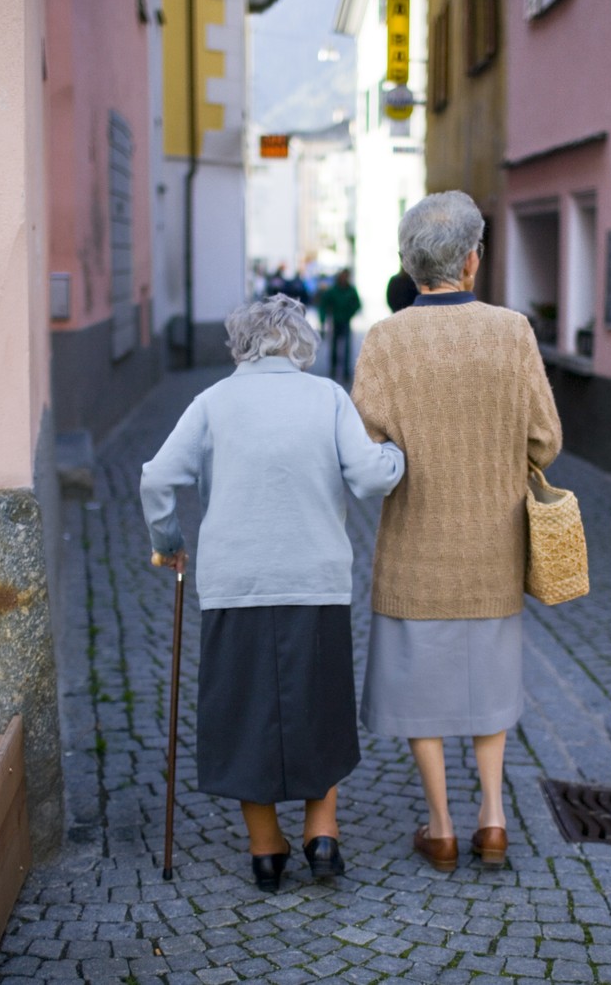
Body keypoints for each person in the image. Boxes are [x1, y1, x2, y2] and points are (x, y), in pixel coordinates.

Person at [140, 295, 405, 893]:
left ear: (241, 344)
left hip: (237, 582)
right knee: (322, 705)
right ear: (301, 343)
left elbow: (157, 476)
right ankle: (323, 832)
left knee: (241, 712)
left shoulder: (213, 402)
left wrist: (170, 538)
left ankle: (265, 850)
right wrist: (394, 457)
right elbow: (368, 477)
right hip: (314, 580)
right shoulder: (328, 397)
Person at [351, 190, 562, 873]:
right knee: (491, 678)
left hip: (415, 544)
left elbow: (364, 445)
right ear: (472, 261)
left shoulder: (385, 339)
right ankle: (493, 818)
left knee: (418, 684)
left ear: (413, 267)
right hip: (495, 543)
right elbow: (546, 438)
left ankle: (440, 825)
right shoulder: (513, 331)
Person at [317, 268, 362, 382]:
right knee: (334, 347)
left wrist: (350, 313)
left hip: (346, 321)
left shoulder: (350, 290)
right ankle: (333, 368)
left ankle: (346, 371)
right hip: (336, 321)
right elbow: (324, 305)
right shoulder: (332, 291)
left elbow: (357, 304)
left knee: (346, 348)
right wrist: (323, 319)